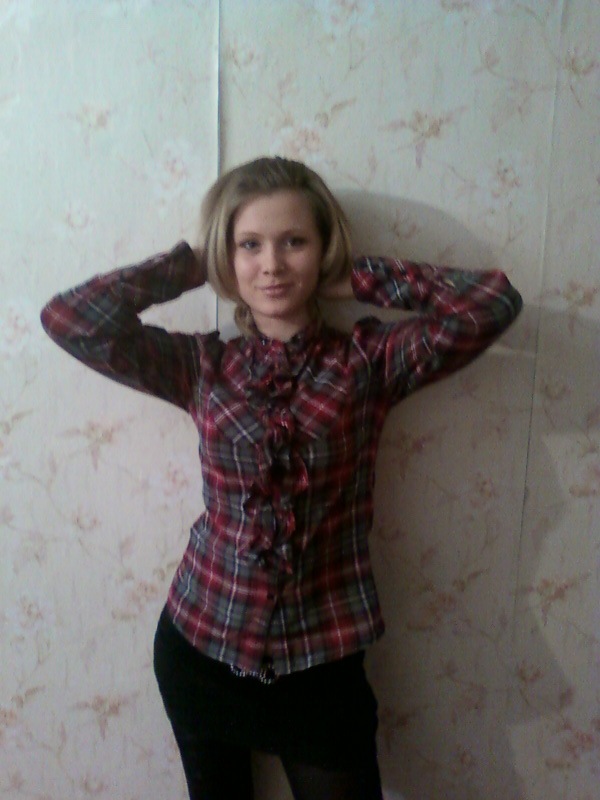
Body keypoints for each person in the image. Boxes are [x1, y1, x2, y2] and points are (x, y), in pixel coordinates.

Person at [41, 156, 523, 800]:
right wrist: (193, 265)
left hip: (321, 666)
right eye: (249, 245)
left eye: (294, 241)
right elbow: (70, 318)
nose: (271, 264)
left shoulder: (370, 362)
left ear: (322, 249)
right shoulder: (200, 366)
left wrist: (356, 276)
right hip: (199, 649)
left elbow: (490, 304)